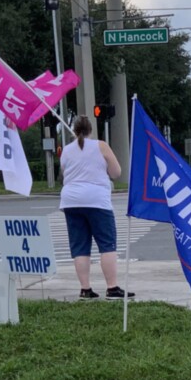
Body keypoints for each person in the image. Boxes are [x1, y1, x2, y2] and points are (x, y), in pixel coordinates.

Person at [59, 115, 134, 300]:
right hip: (96, 200)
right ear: (90, 130)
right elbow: (116, 172)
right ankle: (112, 288)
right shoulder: (101, 146)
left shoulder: (66, 150)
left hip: (71, 201)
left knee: (80, 246)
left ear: (74, 130)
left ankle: (85, 289)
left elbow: (64, 173)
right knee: (107, 244)